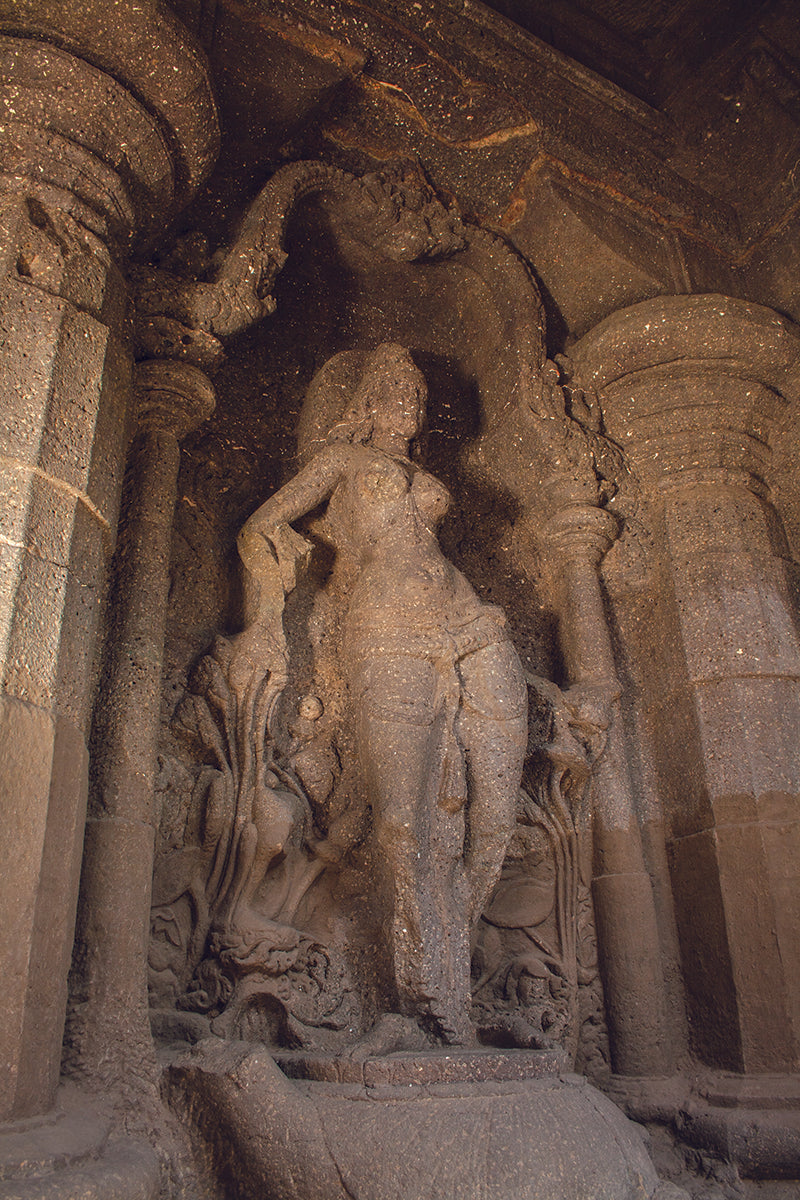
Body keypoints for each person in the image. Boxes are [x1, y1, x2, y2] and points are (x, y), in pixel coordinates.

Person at [238, 343, 527, 1043]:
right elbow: (260, 525)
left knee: (492, 812)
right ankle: (424, 1008)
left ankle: (447, 969)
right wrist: (266, 619)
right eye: (398, 386)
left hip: (468, 620)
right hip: (386, 627)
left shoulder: (422, 475)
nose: (412, 400)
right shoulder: (342, 464)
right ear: (366, 400)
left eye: (419, 391)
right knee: (404, 828)